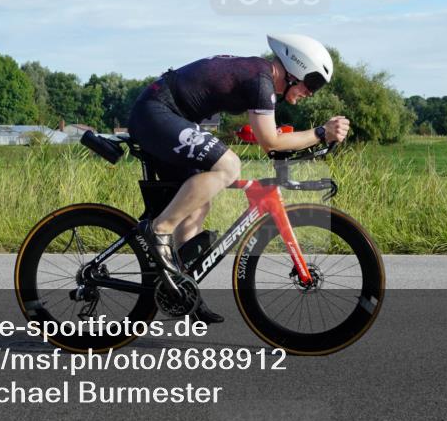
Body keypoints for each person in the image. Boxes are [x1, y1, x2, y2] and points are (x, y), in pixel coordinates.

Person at [127, 34, 350, 323]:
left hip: (167, 115)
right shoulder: (261, 80)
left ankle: (183, 293)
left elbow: (267, 134)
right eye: (313, 83)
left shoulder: (259, 76)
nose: (312, 92)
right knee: (229, 166)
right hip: (156, 112)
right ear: (295, 68)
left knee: (198, 206)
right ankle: (159, 230)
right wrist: (320, 133)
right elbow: (270, 141)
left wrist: (304, 140)